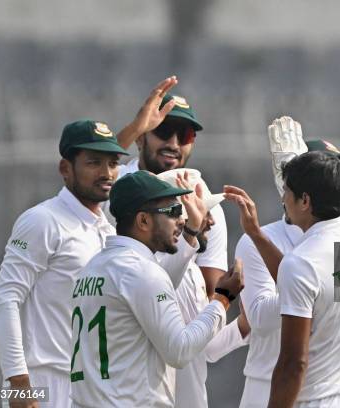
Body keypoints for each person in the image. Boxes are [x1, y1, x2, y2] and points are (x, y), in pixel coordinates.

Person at [235, 118, 340, 408]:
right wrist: (256, 235)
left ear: (305, 201)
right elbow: (305, 281)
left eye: (287, 191)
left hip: (318, 399)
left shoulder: (303, 262)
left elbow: (293, 364)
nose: (282, 197)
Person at [70, 170, 244, 407]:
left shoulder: (94, 267)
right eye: (172, 212)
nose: (181, 220)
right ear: (143, 221)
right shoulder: (142, 271)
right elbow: (179, 351)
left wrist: (191, 233)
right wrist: (223, 299)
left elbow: (152, 285)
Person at [0, 120, 129, 407]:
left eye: (113, 163)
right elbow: (4, 298)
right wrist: (17, 382)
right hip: (43, 383)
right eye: (93, 163)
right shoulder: (42, 221)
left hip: (93, 387)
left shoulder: (108, 230)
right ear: (66, 169)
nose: (106, 173)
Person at [114, 77, 227, 297]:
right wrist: (136, 127)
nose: (173, 144)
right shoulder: (116, 182)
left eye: (185, 135)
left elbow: (212, 291)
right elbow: (98, 163)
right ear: (140, 139)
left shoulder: (205, 201)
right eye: (163, 130)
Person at [156, 168, 250, 408]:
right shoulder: (155, 268)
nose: (212, 221)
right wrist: (223, 299)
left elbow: (205, 349)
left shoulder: (190, 269)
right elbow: (183, 349)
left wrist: (247, 323)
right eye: (204, 211)